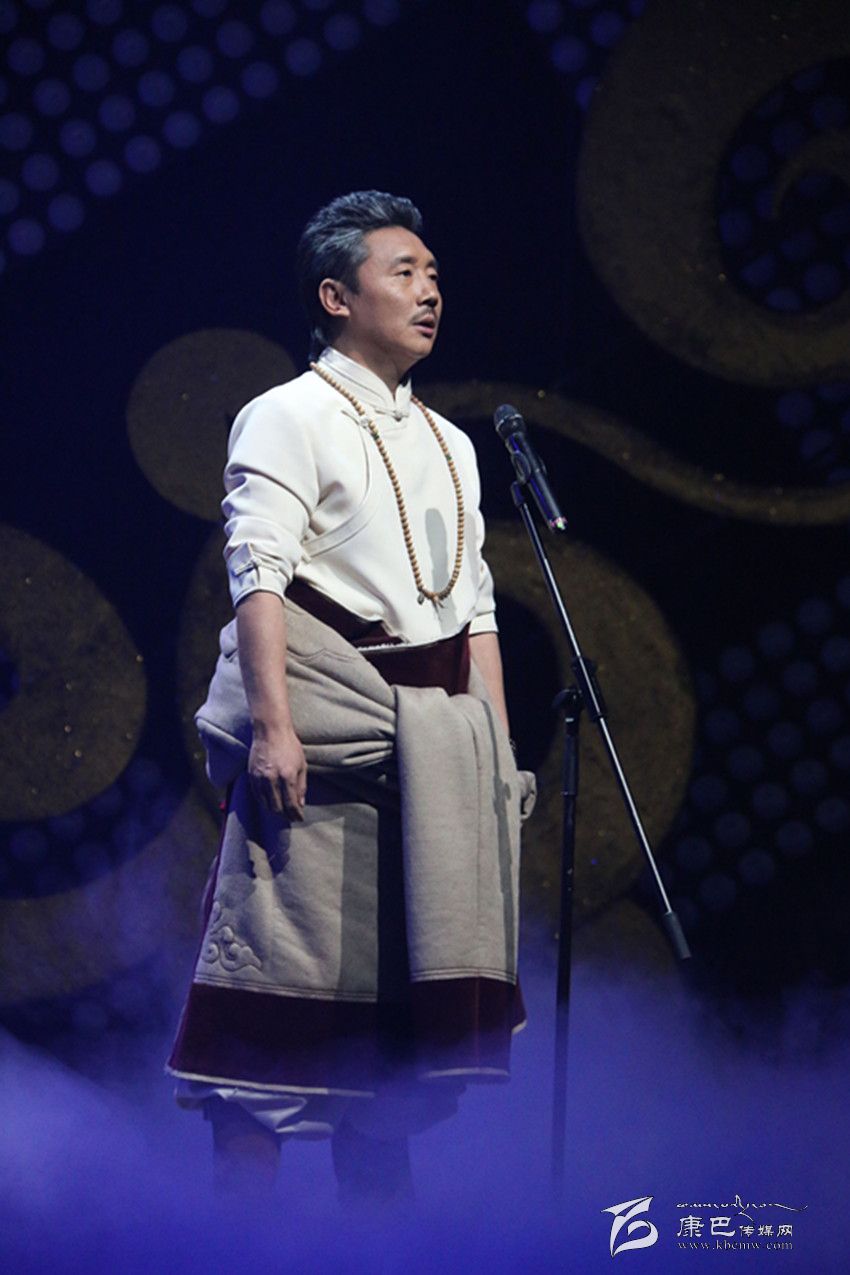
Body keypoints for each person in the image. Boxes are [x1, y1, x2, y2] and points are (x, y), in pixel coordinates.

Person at [167, 191, 534, 1206]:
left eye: (434, 274)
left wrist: (494, 758)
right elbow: (258, 576)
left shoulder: (452, 442)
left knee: (386, 1070)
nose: (429, 291)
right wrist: (275, 728)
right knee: (262, 1061)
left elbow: (473, 612)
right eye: (403, 272)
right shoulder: (287, 414)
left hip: (430, 766)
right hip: (324, 748)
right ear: (336, 296)